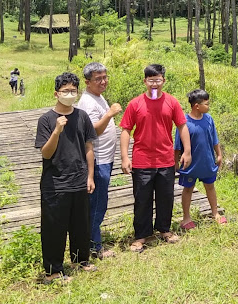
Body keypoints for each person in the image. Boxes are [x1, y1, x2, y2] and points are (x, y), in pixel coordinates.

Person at [120, 64, 192, 252]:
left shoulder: (172, 102)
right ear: (145, 81)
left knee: (165, 197)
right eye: (150, 80)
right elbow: (126, 130)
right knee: (142, 199)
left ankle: (164, 230)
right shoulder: (135, 104)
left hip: (166, 159)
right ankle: (141, 235)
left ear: (163, 81)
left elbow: (182, 126)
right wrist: (124, 157)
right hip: (142, 160)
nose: (154, 84)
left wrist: (187, 151)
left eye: (157, 80)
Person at [34, 72, 97, 283]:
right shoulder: (46, 120)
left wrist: (90, 176)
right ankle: (53, 271)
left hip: (79, 179)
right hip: (55, 184)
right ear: (56, 93)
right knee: (54, 228)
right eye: (65, 91)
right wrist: (57, 131)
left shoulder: (82, 116)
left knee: (81, 224)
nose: (70, 94)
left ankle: (81, 260)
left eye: (73, 91)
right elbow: (46, 153)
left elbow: (89, 147)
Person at [77, 62, 121, 259]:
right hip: (98, 160)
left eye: (105, 77)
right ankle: (94, 247)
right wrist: (110, 114)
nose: (103, 81)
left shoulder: (97, 96)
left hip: (105, 158)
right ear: (87, 82)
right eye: (98, 79)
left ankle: (92, 241)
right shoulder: (87, 102)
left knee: (98, 203)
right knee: (96, 205)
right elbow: (92, 131)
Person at [176, 89, 227, 230]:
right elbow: (177, 145)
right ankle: (186, 218)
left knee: (210, 186)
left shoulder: (209, 119)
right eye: (206, 104)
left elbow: (214, 138)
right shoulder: (184, 122)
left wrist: (219, 154)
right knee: (188, 189)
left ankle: (215, 213)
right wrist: (175, 162)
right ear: (196, 106)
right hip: (190, 164)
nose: (208, 106)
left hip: (207, 161)